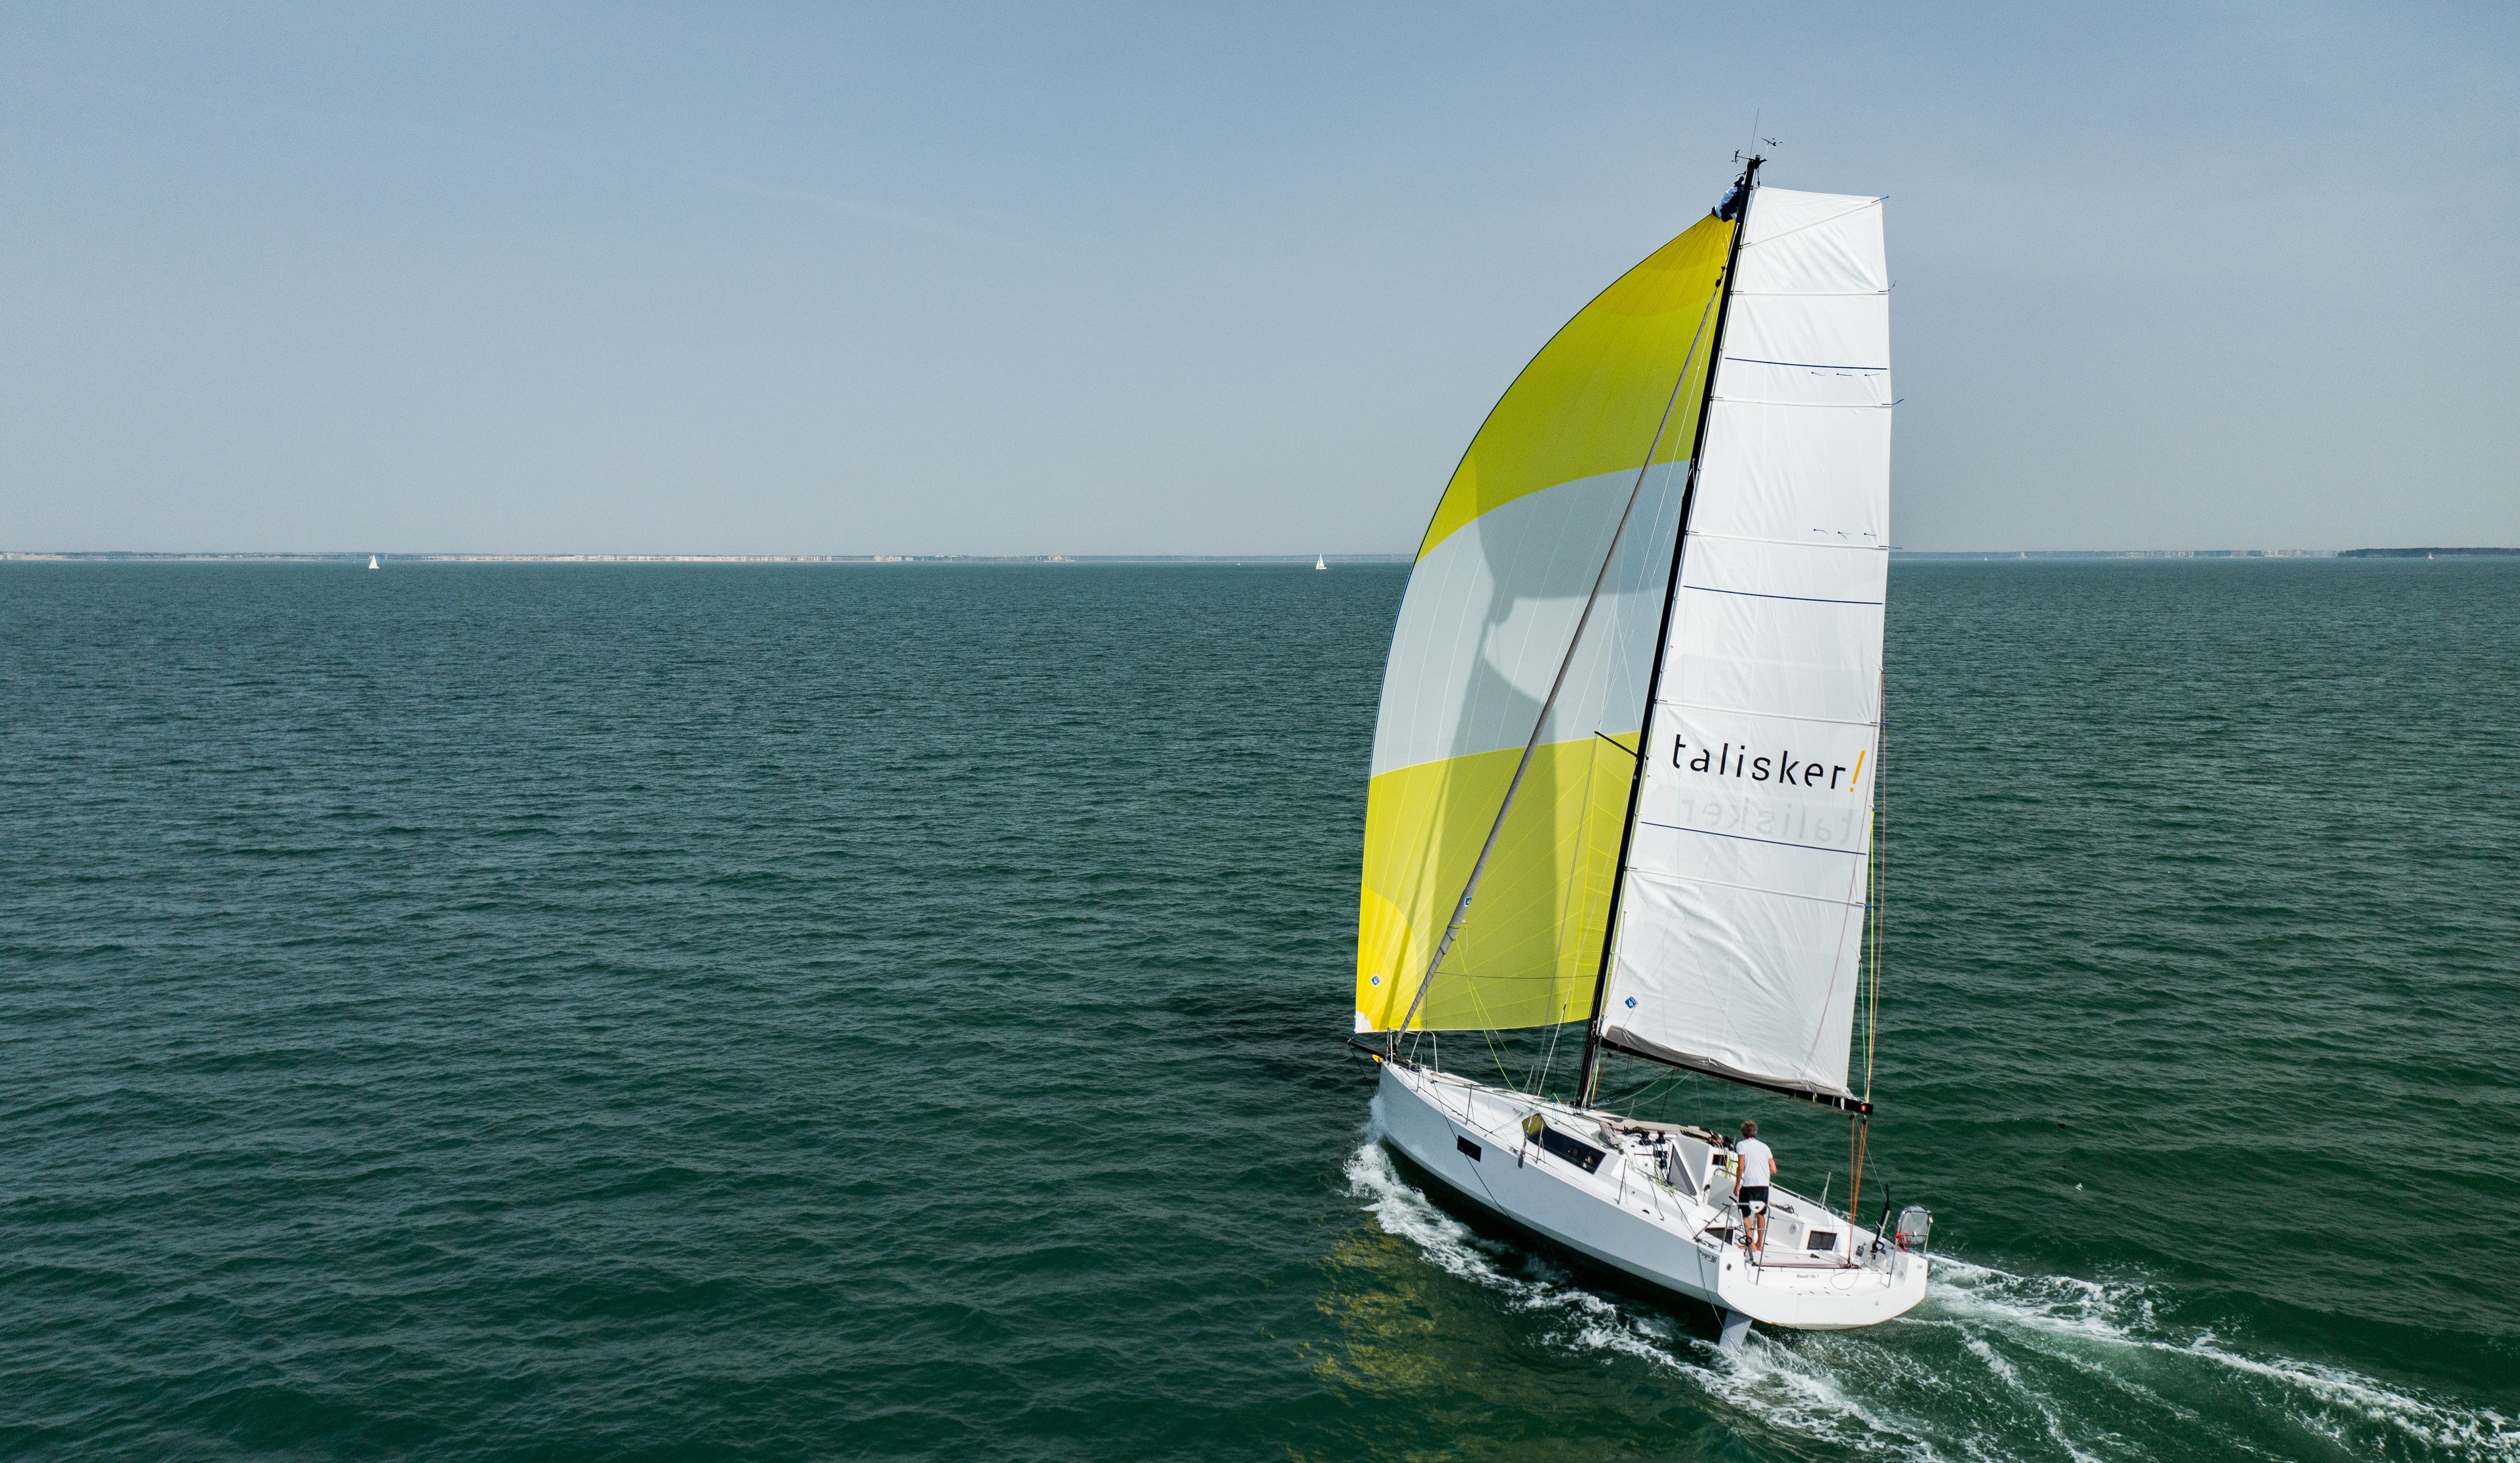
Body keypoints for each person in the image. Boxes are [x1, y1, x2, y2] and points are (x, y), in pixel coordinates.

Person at [1734, 1120, 1777, 1259]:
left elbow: (1741, 1167)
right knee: (1760, 1213)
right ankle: (1760, 1244)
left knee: (1745, 1213)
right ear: (1755, 1133)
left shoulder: (1741, 1145)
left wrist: (1737, 1185)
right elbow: (1774, 1169)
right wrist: (1762, 1174)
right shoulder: (1765, 1147)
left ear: (1743, 1133)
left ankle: (1751, 1244)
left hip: (1749, 1185)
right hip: (1764, 1185)